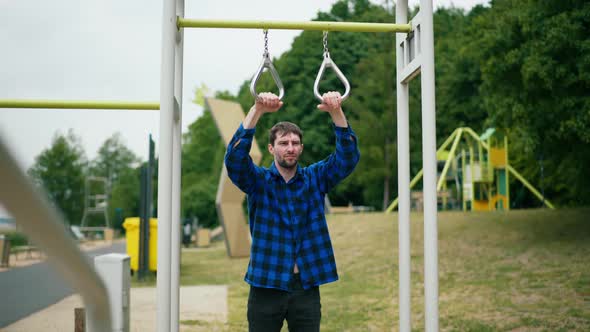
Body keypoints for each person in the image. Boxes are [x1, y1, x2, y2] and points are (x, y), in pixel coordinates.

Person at [224, 91, 360, 332]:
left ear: (301, 148)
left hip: (305, 286)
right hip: (266, 283)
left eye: (295, 143)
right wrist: (257, 110)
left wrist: (336, 112)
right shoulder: (259, 181)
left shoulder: (315, 178)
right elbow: (235, 159)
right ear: (270, 148)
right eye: (283, 143)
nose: (290, 148)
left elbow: (347, 159)